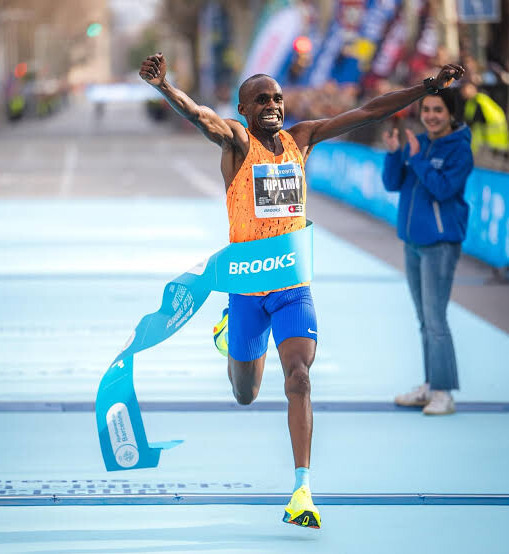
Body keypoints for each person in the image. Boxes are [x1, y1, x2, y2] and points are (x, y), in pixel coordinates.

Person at [140, 52, 464, 529]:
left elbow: (369, 111)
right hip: (247, 289)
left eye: (277, 98)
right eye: (261, 100)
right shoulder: (237, 142)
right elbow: (200, 116)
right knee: (245, 393)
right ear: (244, 110)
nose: (272, 105)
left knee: (299, 378)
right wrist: (165, 87)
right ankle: (230, 332)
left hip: (292, 285)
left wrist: (427, 87)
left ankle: (301, 491)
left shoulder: (303, 139)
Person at [381, 88, 473, 416]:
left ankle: (444, 392)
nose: (431, 116)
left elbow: (443, 189)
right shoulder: (418, 143)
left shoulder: (459, 150)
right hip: (413, 243)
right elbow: (393, 184)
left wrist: (418, 158)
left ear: (451, 114)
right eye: (426, 110)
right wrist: (395, 154)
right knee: (424, 320)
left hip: (440, 245)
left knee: (435, 320)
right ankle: (431, 384)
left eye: (438, 110)